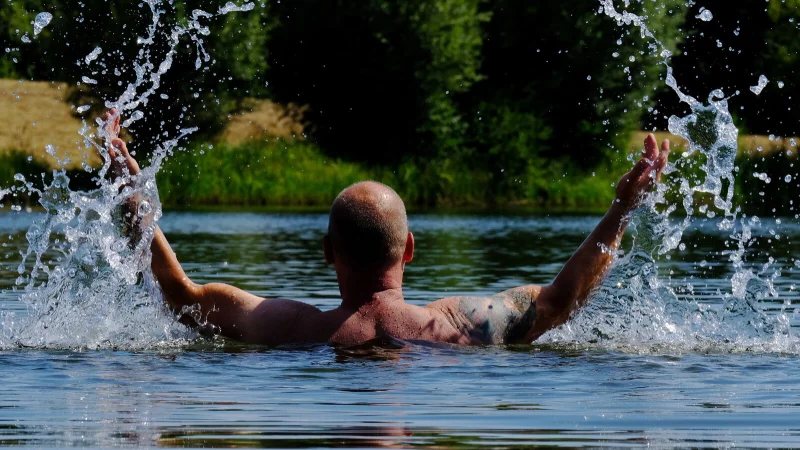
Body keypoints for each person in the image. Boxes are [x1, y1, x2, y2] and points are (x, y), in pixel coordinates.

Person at [103, 110, 669, 346]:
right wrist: (620, 211)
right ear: (412, 250)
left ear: (328, 252)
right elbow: (561, 300)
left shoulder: (290, 327)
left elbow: (182, 295)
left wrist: (132, 196)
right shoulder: (461, 326)